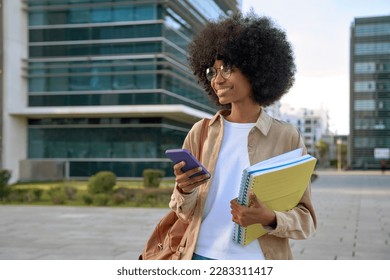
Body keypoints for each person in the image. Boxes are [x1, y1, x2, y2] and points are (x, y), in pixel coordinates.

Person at [169, 11, 316, 260]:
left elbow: (306, 220)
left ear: (254, 69)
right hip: (199, 255)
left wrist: (269, 218)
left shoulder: (287, 137)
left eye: (226, 68)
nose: (217, 79)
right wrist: (184, 191)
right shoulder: (200, 132)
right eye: (212, 72)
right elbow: (183, 213)